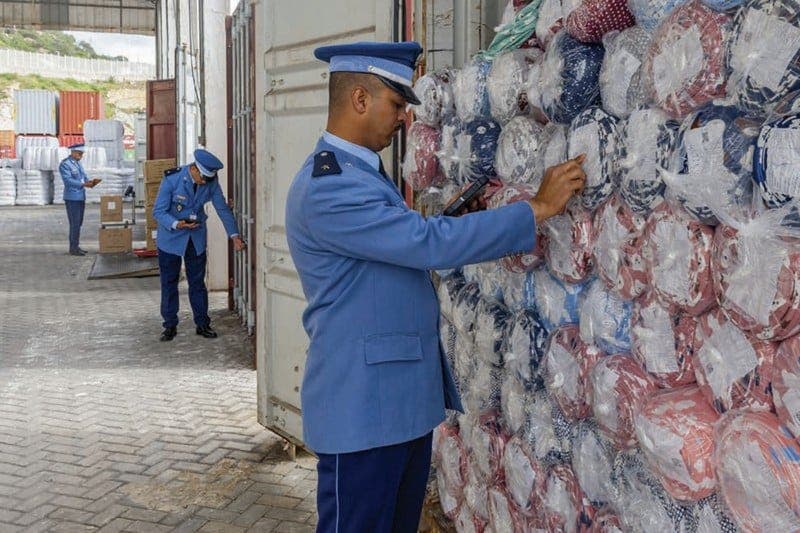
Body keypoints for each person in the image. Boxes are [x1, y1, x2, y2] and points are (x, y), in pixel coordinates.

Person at [284, 41, 586, 532]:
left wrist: (453, 220)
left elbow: (391, 252)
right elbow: (422, 243)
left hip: (394, 407)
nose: (404, 118)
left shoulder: (361, 175)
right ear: (360, 99)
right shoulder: (329, 186)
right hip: (363, 414)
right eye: (397, 104)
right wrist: (534, 209)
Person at [152, 148, 245, 342]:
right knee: (169, 283)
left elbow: (222, 209)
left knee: (197, 283)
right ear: (194, 169)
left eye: (208, 179)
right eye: (202, 178)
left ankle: (202, 323)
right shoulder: (172, 179)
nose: (204, 182)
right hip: (170, 238)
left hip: (195, 238)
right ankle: (169, 325)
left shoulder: (210, 181)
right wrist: (178, 223)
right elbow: (158, 212)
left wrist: (234, 235)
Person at [59, 143, 100, 256]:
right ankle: (73, 248)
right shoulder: (65, 164)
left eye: (81, 154)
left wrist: (90, 182)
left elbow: (83, 176)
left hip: (80, 197)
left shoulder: (77, 164)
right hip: (72, 198)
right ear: (72, 152)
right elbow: (68, 181)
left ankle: (76, 246)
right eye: (79, 153)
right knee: (75, 223)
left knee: (79, 223)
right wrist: (83, 184)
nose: (81, 156)